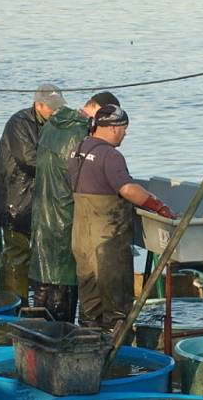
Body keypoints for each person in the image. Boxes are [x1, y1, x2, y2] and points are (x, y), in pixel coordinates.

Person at [67, 104, 175, 332]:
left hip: (81, 238)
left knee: (89, 297)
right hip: (107, 238)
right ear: (114, 127)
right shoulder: (110, 155)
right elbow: (127, 190)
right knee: (116, 301)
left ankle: (87, 340)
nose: (125, 134)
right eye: (125, 129)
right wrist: (159, 206)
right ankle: (118, 353)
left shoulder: (77, 149)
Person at [29, 91, 120, 322]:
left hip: (43, 214)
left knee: (44, 294)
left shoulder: (53, 124)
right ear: (97, 110)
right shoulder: (81, 133)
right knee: (64, 294)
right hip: (68, 217)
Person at [0, 84, 65, 304]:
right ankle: (12, 302)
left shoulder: (54, 122)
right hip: (14, 197)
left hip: (35, 197)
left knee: (30, 253)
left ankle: (24, 299)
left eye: (58, 107)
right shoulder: (19, 123)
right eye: (51, 108)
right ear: (38, 104)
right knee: (17, 252)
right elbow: (28, 159)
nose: (55, 111)